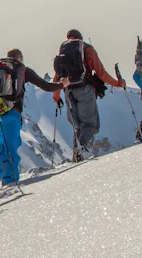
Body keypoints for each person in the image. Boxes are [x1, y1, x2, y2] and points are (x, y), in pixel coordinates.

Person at [0, 49, 69, 185]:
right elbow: (46, 86)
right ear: (20, 59)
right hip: (11, 113)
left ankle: (2, 176)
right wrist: (63, 84)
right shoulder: (22, 70)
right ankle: (10, 181)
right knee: (11, 147)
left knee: (3, 145)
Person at [53, 29, 126, 161]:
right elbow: (101, 73)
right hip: (84, 89)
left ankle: (77, 155)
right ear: (80, 38)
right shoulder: (87, 48)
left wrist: (56, 96)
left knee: (77, 126)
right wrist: (117, 83)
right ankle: (83, 150)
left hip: (68, 91)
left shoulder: (63, 52)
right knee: (90, 124)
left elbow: (56, 78)